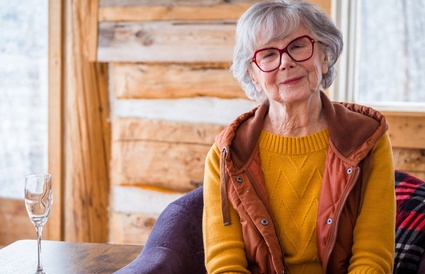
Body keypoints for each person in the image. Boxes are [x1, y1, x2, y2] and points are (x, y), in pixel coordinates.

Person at [202, 0, 396, 273]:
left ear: (324, 57)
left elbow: (373, 258)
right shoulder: (228, 153)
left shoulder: (366, 140)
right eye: (268, 55)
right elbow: (225, 264)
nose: (286, 62)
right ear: (253, 76)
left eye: (298, 46)